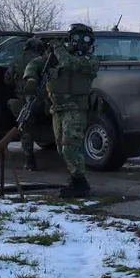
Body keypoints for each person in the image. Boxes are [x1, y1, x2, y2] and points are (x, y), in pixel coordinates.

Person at [24, 23, 99, 198]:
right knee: (60, 147)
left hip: (76, 107)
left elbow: (70, 63)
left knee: (70, 147)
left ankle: (81, 184)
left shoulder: (90, 60)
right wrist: (31, 79)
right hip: (57, 108)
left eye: (86, 40)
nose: (81, 43)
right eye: (77, 39)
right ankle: (74, 179)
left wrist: (57, 47)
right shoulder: (57, 56)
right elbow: (35, 63)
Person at [5, 36, 46, 171]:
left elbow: (7, 80)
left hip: (27, 101)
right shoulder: (44, 60)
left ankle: (29, 161)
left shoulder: (17, 60)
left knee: (25, 129)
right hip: (46, 102)